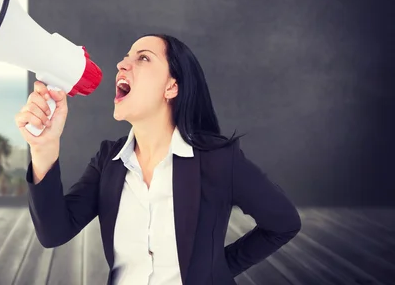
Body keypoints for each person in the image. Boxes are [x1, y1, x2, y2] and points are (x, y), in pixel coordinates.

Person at [15, 34, 301, 285]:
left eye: (143, 58)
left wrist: (216, 270)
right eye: (125, 58)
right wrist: (44, 147)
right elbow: (53, 233)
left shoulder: (218, 160)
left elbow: (284, 223)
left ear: (171, 87)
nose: (121, 65)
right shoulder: (108, 161)